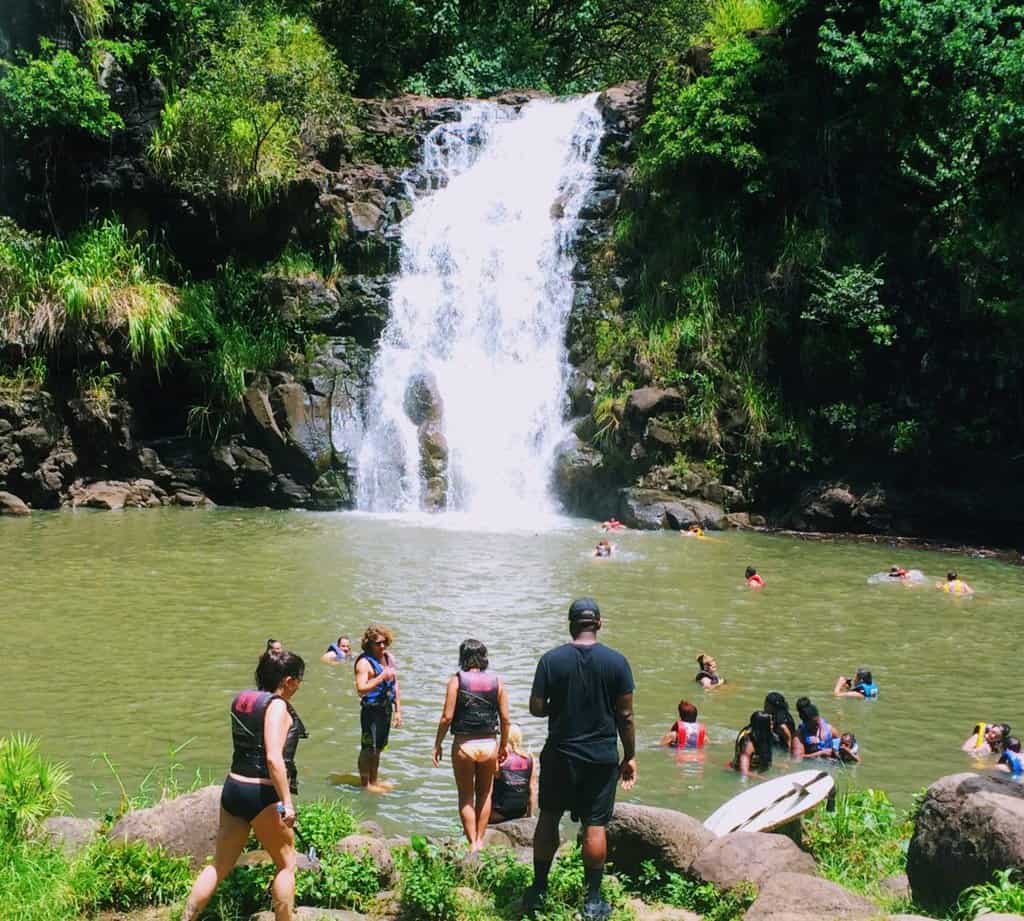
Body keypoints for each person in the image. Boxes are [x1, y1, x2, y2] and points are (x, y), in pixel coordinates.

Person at [525, 598, 636, 920]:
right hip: (600, 757)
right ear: (598, 624)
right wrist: (629, 755)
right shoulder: (617, 663)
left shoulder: (551, 660)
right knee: (595, 825)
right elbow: (625, 715)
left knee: (548, 817)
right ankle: (593, 901)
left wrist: (558, 706)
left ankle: (539, 890)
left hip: (560, 753)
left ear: (571, 624)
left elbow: (535, 707)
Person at [181, 650, 307, 921]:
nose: (298, 685)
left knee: (220, 864)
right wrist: (287, 802)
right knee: (287, 865)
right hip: (261, 793)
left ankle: (186, 918)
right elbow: (274, 758)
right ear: (287, 681)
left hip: (234, 788)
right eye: (298, 679)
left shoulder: (242, 700)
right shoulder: (277, 707)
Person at [432, 639, 511, 851]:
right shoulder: (497, 682)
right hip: (489, 745)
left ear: (462, 657)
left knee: (466, 796)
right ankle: (480, 841)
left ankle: (471, 844)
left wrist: (437, 744)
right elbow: (505, 719)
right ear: (484, 657)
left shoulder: (456, 681)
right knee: (485, 794)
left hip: (464, 746)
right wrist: (503, 745)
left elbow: (447, 717)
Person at [354, 625, 402, 793]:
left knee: (379, 748)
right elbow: (361, 689)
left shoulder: (389, 658)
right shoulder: (363, 663)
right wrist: (381, 677)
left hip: (385, 709)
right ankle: (365, 784)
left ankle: (374, 780)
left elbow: (395, 684)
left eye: (384, 643)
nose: (382, 647)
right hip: (371, 711)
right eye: (378, 643)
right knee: (368, 748)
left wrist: (398, 711)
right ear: (369, 644)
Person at [490, 725, 538, 824]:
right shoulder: (530, 758)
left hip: (499, 813)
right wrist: (530, 816)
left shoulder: (499, 759)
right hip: (521, 811)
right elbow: (532, 789)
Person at [731, 711, 773, 776]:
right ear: (763, 726)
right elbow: (744, 771)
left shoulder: (758, 735)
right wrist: (764, 779)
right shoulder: (749, 743)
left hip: (755, 770)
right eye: (770, 724)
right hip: (738, 773)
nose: (772, 726)